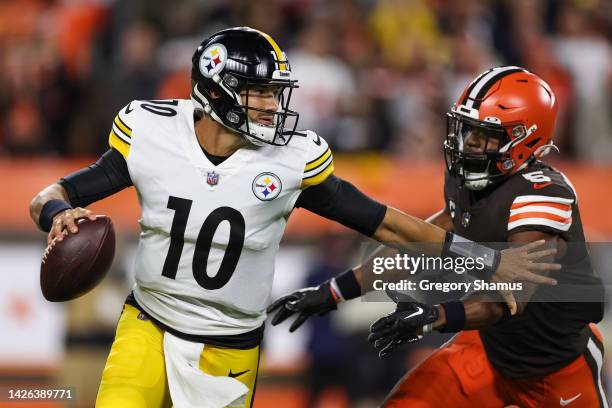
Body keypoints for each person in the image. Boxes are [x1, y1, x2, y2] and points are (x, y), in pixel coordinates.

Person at [29, 27, 556, 407]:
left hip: (228, 344)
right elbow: (50, 194)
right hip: (148, 323)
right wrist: (58, 212)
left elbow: (387, 223)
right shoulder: (152, 132)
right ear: (218, 91)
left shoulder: (291, 161)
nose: (271, 107)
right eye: (259, 93)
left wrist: (481, 261)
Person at [269, 66, 607, 407]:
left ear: (524, 137)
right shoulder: (471, 180)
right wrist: (334, 291)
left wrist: (434, 316)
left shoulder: (542, 195)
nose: (469, 143)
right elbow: (418, 246)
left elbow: (509, 297)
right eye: (467, 130)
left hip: (556, 367)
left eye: (484, 134)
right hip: (489, 350)